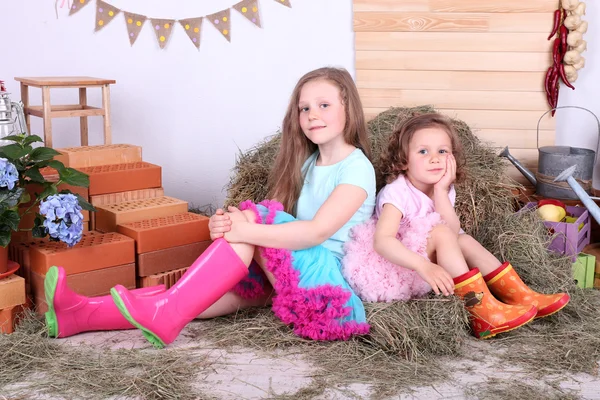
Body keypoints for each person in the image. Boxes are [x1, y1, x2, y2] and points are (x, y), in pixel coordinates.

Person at [97, 66, 376, 348]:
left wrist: (243, 230)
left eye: (323, 105)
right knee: (199, 302)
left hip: (326, 290)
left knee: (251, 220)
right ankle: (83, 314)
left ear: (348, 109)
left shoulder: (356, 168)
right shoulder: (307, 164)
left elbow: (316, 232)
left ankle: (166, 313)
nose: (312, 114)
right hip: (296, 270)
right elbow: (280, 221)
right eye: (304, 108)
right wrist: (225, 226)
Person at [342, 113, 570, 339]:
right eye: (423, 151)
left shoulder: (443, 188)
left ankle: (521, 295)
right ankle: (482, 312)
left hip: (426, 260)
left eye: (442, 151)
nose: (435, 158)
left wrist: (441, 192)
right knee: (441, 233)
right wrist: (423, 266)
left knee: (464, 239)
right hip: (398, 267)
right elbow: (383, 241)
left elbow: (453, 233)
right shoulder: (397, 193)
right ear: (403, 161)